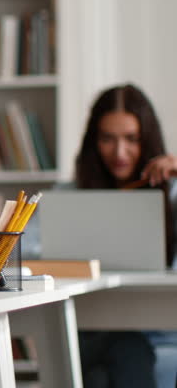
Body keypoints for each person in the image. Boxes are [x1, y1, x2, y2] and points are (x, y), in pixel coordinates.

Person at [74, 83, 177, 388]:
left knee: (99, 376)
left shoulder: (172, 195)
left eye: (131, 139)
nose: (120, 152)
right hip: (93, 330)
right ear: (94, 142)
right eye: (108, 139)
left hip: (154, 333)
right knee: (123, 345)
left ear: (147, 139)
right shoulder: (71, 199)